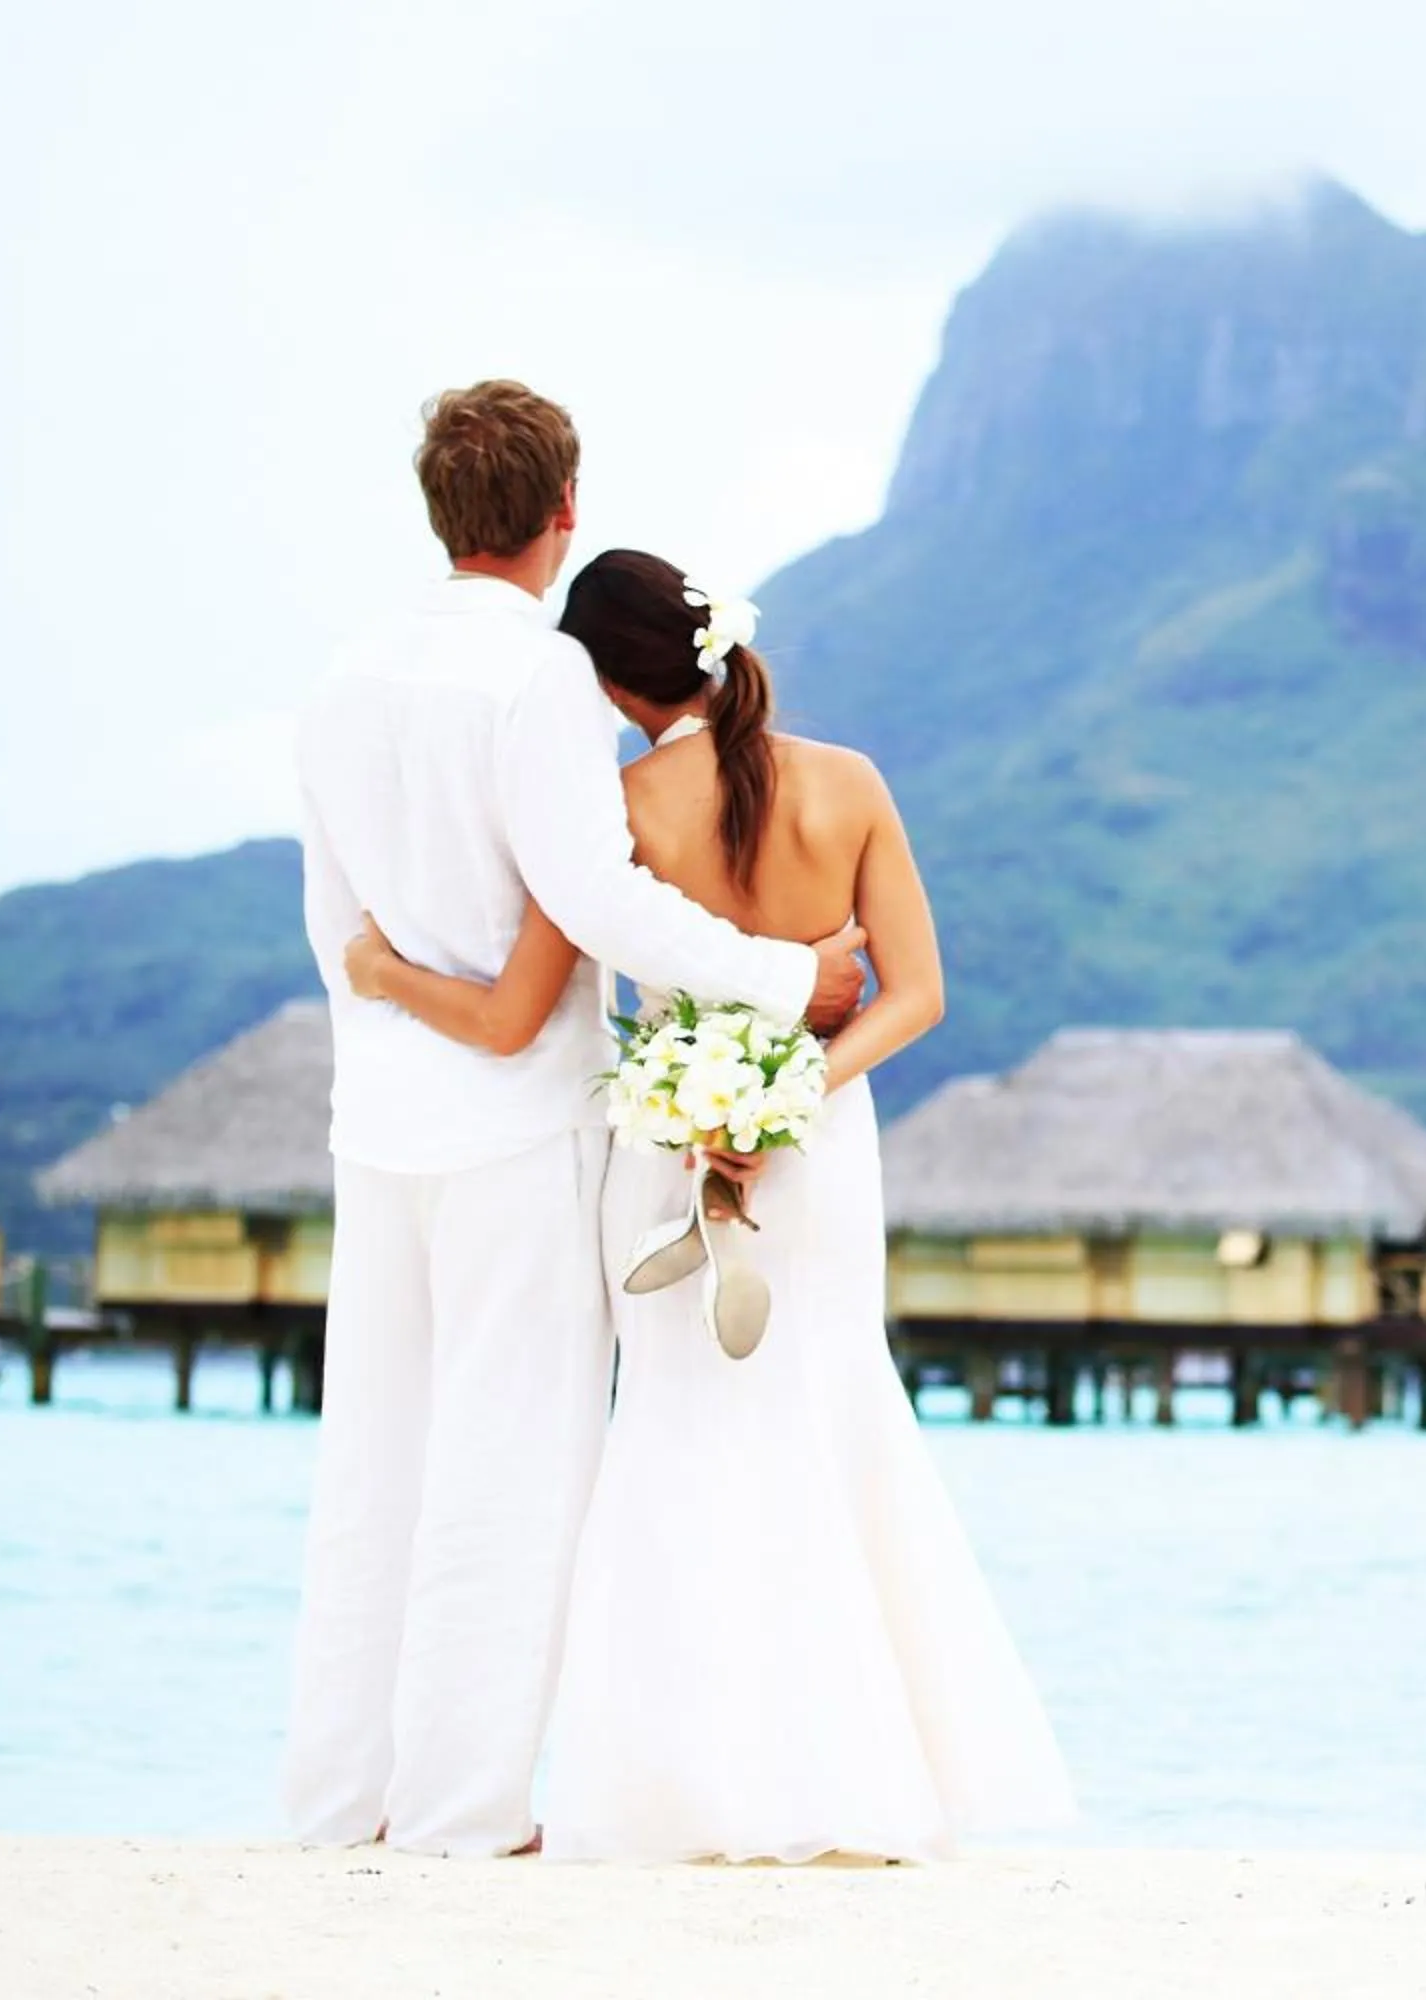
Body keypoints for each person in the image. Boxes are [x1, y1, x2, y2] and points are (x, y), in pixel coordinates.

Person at [344, 547, 1074, 1863]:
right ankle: (863, 1779)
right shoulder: (848, 783)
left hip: (668, 1155)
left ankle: (675, 1792)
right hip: (817, 1157)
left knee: (679, 1440)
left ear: (612, 684)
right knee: (830, 1423)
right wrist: (790, 1098)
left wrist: (383, 970)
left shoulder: (615, 814)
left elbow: (519, 1008)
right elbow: (914, 996)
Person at [285, 382, 872, 1859]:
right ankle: (468, 1811)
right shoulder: (542, 685)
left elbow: (330, 923)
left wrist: (390, 1019)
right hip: (514, 1127)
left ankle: (335, 1799)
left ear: (440, 512)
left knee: (371, 1457)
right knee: (513, 1459)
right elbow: (597, 895)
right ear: (563, 516)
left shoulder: (344, 673)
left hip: (380, 1120)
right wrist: (786, 973)